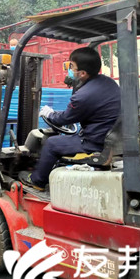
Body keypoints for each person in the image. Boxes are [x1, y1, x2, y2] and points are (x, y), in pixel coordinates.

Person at [19, 47, 121, 189]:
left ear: (83, 73)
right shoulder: (108, 83)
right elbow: (77, 112)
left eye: (72, 66)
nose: (69, 69)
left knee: (51, 143)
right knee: (62, 140)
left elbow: (64, 119)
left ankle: (37, 181)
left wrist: (49, 114)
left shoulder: (84, 95)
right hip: (109, 138)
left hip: (94, 143)